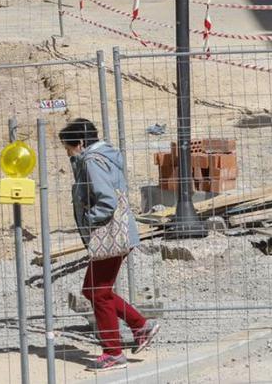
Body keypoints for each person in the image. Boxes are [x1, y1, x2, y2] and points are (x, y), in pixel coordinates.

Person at [60, 118, 160, 371]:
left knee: (97, 292)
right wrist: (76, 160)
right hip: (120, 234)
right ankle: (140, 327)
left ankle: (114, 352)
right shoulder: (101, 157)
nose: (66, 152)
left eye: (68, 148)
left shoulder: (92, 162)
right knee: (94, 290)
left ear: (80, 143)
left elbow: (106, 202)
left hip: (109, 234)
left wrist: (88, 220)